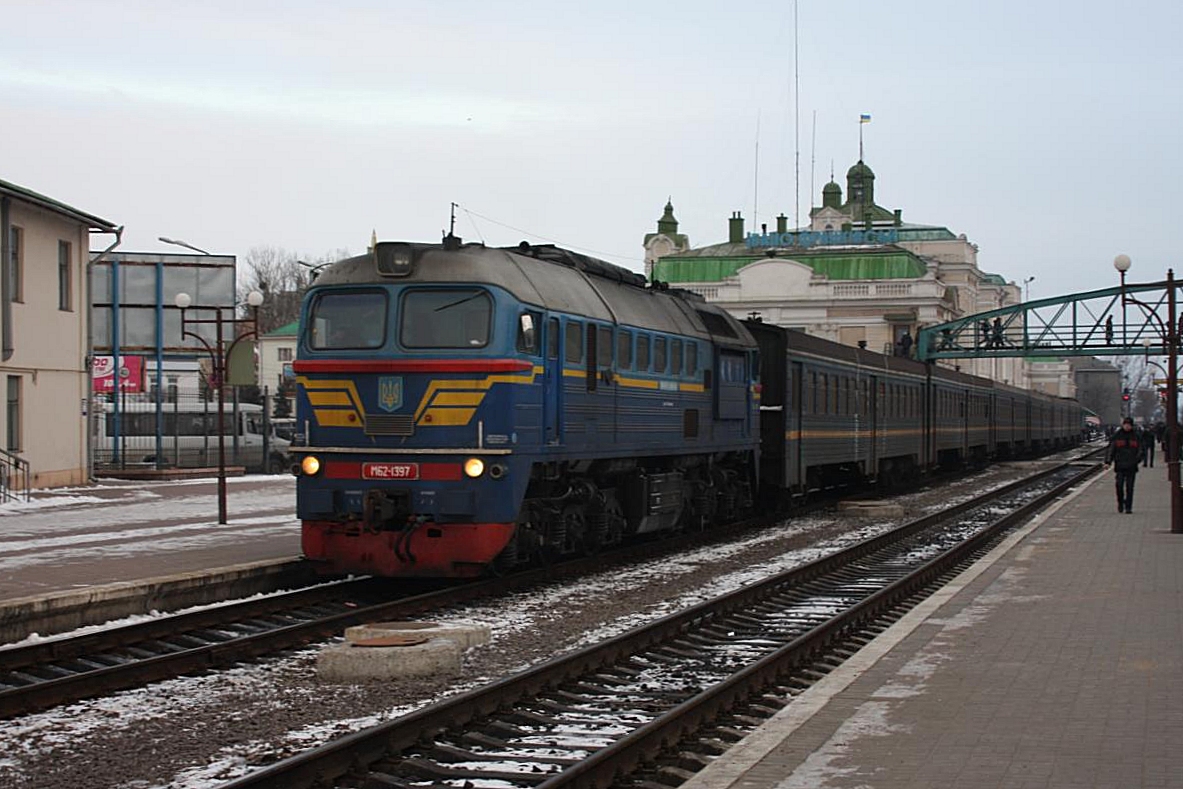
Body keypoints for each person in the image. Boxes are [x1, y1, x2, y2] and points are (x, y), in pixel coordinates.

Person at [1105, 417, 1142, 514]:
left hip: (1132, 466)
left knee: (1130, 488)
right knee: (1119, 486)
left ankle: (1128, 507)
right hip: (1120, 465)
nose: (1127, 426)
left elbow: (1141, 449)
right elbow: (1111, 449)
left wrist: (1137, 460)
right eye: (1125, 424)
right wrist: (1108, 461)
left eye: (1129, 425)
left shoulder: (1136, 436)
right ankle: (1120, 502)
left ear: (1131, 425)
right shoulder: (1117, 436)